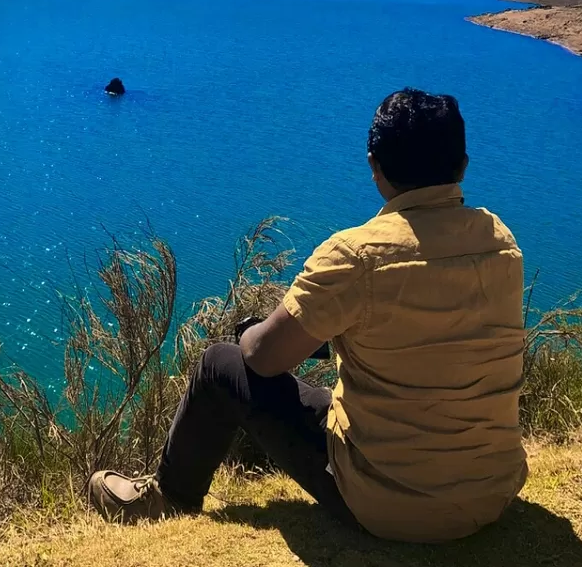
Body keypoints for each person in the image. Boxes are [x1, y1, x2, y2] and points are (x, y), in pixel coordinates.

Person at [88, 88, 528, 543]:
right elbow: (434, 336)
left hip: (392, 506)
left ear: (375, 166)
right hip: (492, 493)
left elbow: (261, 358)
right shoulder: (501, 242)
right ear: (463, 166)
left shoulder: (356, 256)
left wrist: (252, 334)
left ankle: (167, 498)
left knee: (221, 364)